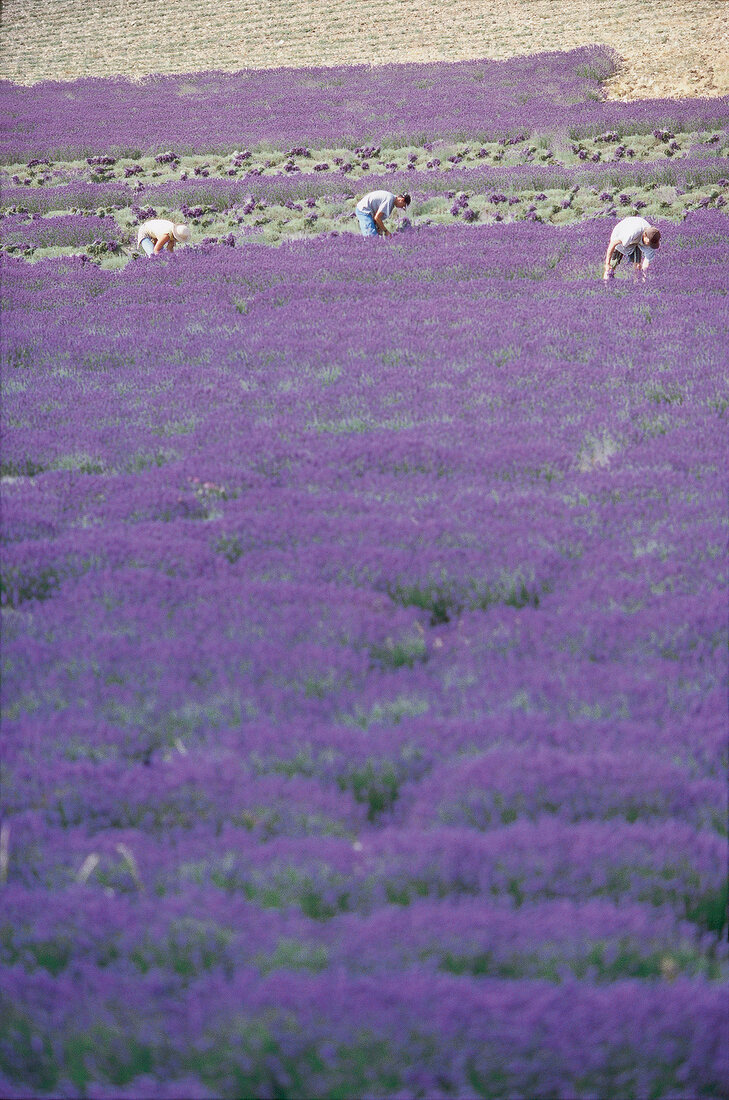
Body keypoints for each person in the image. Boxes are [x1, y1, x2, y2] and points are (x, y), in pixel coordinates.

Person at [603, 216, 660, 280]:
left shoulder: (652, 239)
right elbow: (613, 244)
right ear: (645, 235)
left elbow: (646, 263)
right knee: (611, 265)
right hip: (621, 234)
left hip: (637, 240)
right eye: (649, 243)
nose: (650, 245)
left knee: (638, 267)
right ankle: (606, 284)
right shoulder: (631, 234)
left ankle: (637, 284)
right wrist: (607, 264)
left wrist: (644, 279)